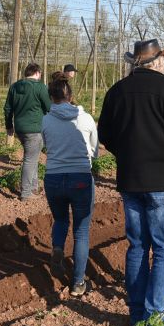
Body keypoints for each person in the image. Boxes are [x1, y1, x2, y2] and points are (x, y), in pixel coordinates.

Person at [98, 39, 164, 326]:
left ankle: (138, 317)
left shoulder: (116, 92)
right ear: (158, 62)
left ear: (134, 63)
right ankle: (155, 320)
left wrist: (127, 155)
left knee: (138, 246)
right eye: (163, 59)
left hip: (131, 180)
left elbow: (106, 135)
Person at [41, 72, 98, 296]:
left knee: (61, 219)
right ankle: (77, 283)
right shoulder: (85, 119)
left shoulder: (45, 120)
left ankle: (57, 246)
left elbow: (47, 145)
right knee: (82, 232)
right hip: (80, 178)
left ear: (51, 97)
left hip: (54, 177)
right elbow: (94, 149)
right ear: (71, 95)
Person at [4, 63, 51, 201]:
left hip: (20, 128)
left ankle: (34, 187)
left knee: (33, 156)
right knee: (30, 159)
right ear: (37, 73)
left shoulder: (14, 86)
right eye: (40, 74)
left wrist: (9, 125)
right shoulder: (39, 87)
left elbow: (8, 108)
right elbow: (49, 107)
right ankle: (25, 193)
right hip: (34, 128)